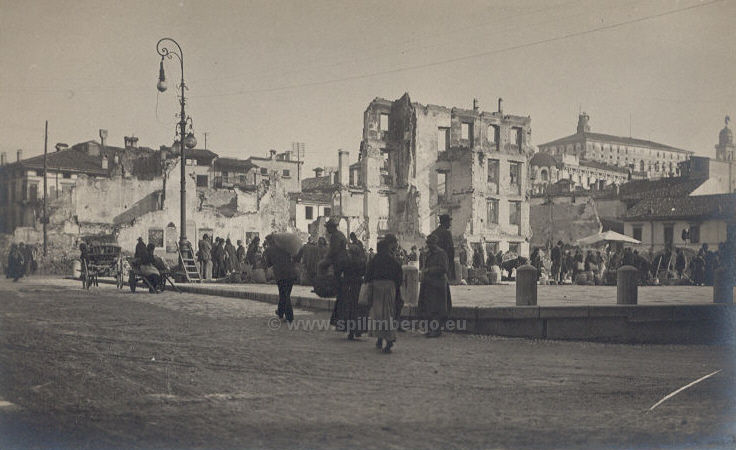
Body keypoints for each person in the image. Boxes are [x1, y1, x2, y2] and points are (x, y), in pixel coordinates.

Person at [364, 234, 403, 353]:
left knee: (378, 314)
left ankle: (380, 338)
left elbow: (368, 275)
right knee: (388, 313)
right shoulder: (393, 260)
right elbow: (399, 277)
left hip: (376, 287)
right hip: (389, 287)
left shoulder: (374, 259)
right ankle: (389, 341)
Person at [331, 241, 367, 339]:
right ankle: (357, 329)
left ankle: (349, 330)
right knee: (357, 309)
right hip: (358, 286)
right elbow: (364, 273)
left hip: (346, 286)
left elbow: (338, 272)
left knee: (346, 308)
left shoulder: (346, 262)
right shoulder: (361, 262)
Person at [418, 234, 449, 337]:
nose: (429, 245)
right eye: (428, 243)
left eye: (430, 243)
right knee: (429, 307)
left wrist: (429, 270)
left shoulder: (441, 254)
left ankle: (436, 330)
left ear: (435, 243)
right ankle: (431, 329)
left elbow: (444, 268)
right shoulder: (428, 254)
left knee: (437, 308)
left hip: (438, 284)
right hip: (429, 284)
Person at [263, 234, 298, 323]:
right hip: (291, 273)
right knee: (285, 294)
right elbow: (293, 256)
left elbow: (269, 264)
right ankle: (280, 312)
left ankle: (289, 316)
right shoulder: (285, 247)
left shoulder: (269, 250)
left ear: (269, 241)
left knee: (284, 295)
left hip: (280, 275)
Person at [431, 214, 455, 282]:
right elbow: (451, 251)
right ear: (445, 222)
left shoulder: (434, 233)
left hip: (434, 264)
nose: (450, 225)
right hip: (444, 262)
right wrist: (451, 267)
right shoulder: (447, 233)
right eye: (449, 222)